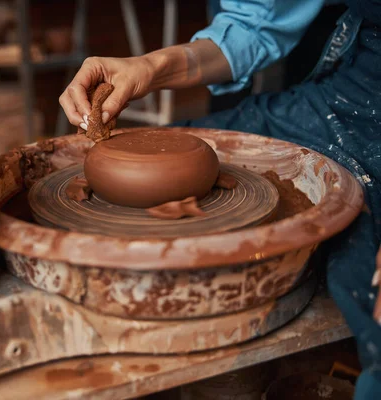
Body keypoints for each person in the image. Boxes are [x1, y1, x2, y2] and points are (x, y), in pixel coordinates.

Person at [60, 1, 381, 398]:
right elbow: (258, 24)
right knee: (177, 147)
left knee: (363, 293)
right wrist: (150, 67)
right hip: (351, 86)